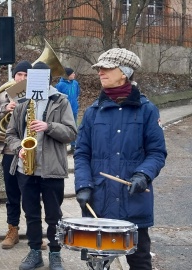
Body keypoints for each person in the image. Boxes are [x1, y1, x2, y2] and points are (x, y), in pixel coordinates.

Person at [74, 48, 167, 270]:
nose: (100, 73)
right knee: (96, 262)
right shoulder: (92, 112)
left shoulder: (147, 110)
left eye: (106, 68)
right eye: (99, 69)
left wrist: (143, 174)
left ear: (124, 72)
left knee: (139, 261)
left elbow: (157, 152)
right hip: (99, 202)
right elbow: (81, 153)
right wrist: (83, 185)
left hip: (133, 203)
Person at [5, 61, 77, 270]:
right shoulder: (21, 103)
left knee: (54, 214)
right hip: (24, 168)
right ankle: (35, 251)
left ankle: (55, 253)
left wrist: (49, 126)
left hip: (51, 168)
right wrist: (18, 146)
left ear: (48, 79)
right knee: (31, 213)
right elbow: (10, 134)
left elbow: (71, 133)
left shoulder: (60, 101)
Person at [0, 60, 31, 249]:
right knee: (12, 193)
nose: (22, 78)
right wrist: (4, 110)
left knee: (31, 194)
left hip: (30, 150)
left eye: (26, 75)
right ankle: (12, 230)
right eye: (19, 75)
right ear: (14, 76)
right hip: (9, 150)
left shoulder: (37, 93)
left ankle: (34, 233)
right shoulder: (3, 95)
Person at [55, 67, 80, 151]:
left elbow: (77, 94)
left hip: (74, 109)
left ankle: (73, 146)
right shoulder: (60, 85)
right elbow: (57, 97)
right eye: (72, 73)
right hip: (64, 110)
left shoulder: (75, 83)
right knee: (63, 128)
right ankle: (62, 146)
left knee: (74, 127)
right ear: (68, 75)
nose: (74, 75)